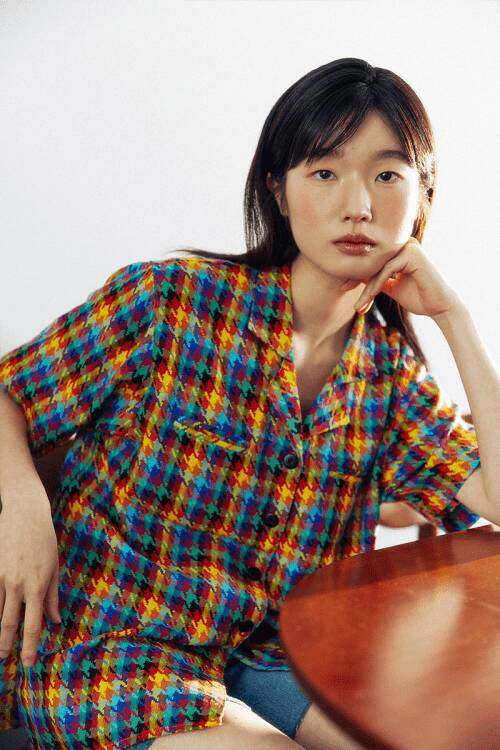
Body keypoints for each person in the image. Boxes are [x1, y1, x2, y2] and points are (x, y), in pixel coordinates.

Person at [0, 56, 498, 750]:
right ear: (278, 189)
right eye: (324, 172)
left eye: (387, 176)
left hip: (278, 656)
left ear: (423, 195)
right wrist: (24, 507)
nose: (358, 204)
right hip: (115, 648)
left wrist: (454, 318)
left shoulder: (389, 377)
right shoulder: (171, 301)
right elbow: (12, 390)